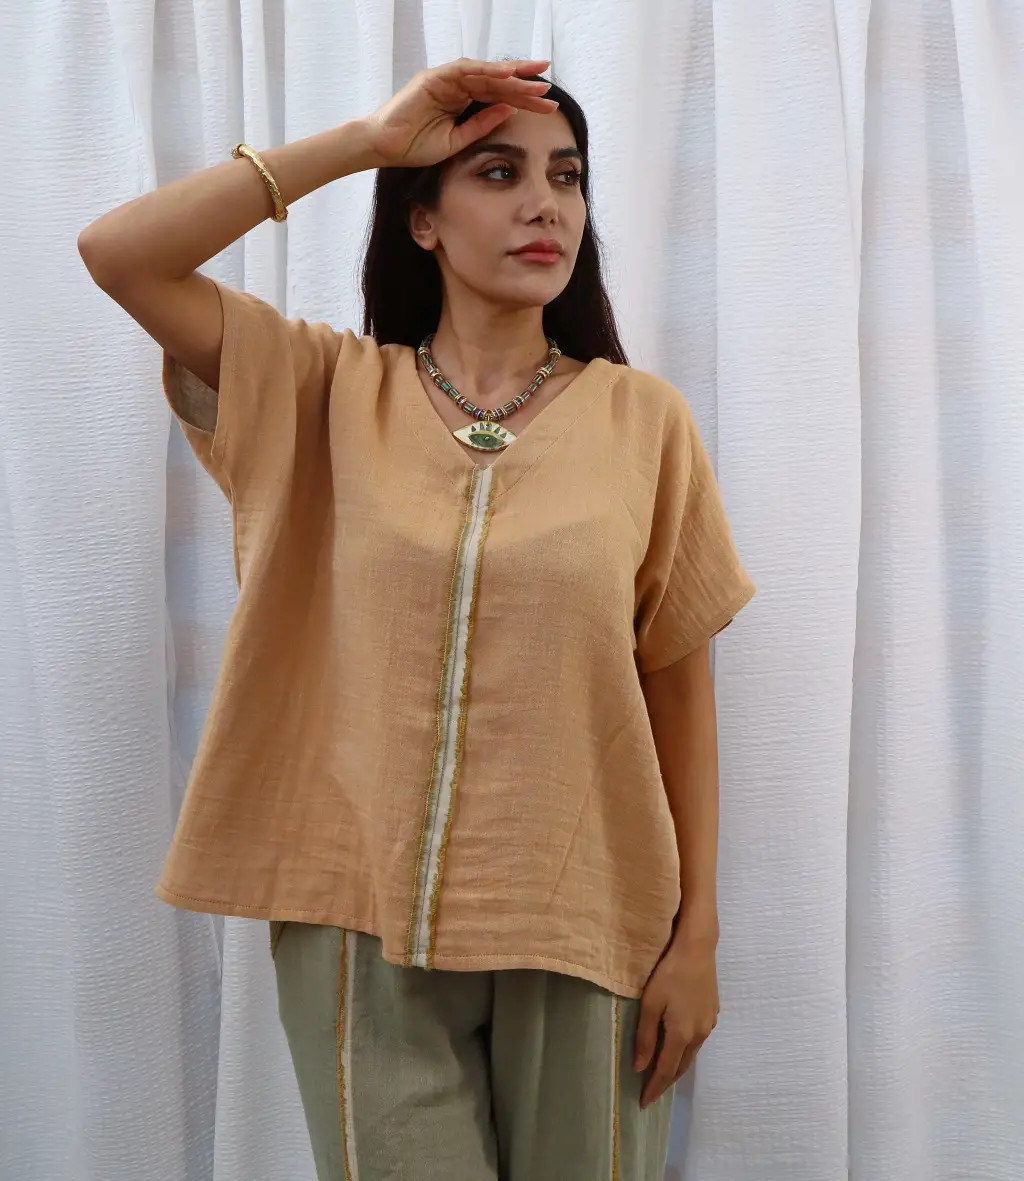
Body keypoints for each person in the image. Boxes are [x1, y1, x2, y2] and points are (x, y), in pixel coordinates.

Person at [79, 56, 755, 1181]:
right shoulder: (319, 390)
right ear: (422, 221)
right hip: (361, 914)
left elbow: (676, 686)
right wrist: (365, 142)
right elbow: (120, 253)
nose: (545, 205)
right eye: (498, 172)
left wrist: (699, 936)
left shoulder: (644, 422)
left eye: (567, 176)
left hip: (587, 911)